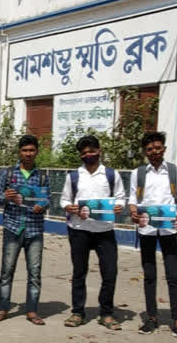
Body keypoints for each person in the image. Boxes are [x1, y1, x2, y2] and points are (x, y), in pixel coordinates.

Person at [60, 134, 125, 330]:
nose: (88, 155)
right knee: (79, 272)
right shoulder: (73, 176)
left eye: (92, 151)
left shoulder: (112, 175)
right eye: (84, 152)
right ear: (80, 155)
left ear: (99, 151)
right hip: (79, 230)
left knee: (110, 272)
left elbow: (121, 197)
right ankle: (77, 312)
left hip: (104, 231)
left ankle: (106, 313)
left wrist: (119, 206)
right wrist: (69, 207)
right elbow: (64, 200)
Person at [128, 132, 177, 337]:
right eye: (150, 149)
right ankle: (151, 318)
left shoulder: (176, 172)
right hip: (147, 230)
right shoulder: (139, 173)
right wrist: (134, 213)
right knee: (150, 275)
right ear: (145, 151)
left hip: (169, 229)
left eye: (158, 148)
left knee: (172, 276)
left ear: (164, 149)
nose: (155, 152)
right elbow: (133, 199)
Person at [0, 134, 49, 325]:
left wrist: (42, 205)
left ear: (37, 152)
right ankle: (3, 307)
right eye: (25, 150)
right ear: (19, 152)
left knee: (34, 273)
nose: (28, 154)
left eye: (32, 150)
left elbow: (47, 199)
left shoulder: (42, 176)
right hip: (13, 227)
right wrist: (6, 197)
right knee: (7, 271)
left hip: (34, 229)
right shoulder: (8, 174)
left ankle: (32, 310)